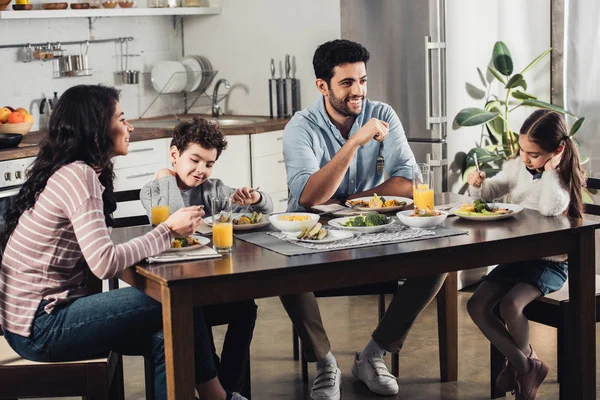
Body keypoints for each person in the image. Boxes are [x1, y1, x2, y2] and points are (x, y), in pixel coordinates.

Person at [0, 85, 246, 400]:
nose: (129, 127)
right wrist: (168, 230)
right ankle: (219, 398)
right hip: (41, 327)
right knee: (180, 298)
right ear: (96, 128)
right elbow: (104, 263)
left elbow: (99, 252)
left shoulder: (78, 171)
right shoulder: (79, 175)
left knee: (168, 338)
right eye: (122, 118)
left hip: (38, 319)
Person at [282, 39, 447, 399]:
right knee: (283, 268)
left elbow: (407, 183)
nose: (358, 91)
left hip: (376, 228)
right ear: (322, 86)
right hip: (316, 235)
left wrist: (346, 201)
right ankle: (325, 362)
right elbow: (310, 196)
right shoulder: (301, 127)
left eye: (362, 80)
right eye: (347, 83)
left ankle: (373, 354)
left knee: (439, 259)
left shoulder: (383, 114)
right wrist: (355, 142)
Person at [140, 116, 273, 393]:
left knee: (246, 307)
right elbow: (174, 216)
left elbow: (264, 211)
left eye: (209, 164)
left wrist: (255, 199)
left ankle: (225, 386)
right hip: (176, 290)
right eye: (195, 160)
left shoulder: (214, 190)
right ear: (174, 154)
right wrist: (165, 176)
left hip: (210, 281)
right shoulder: (154, 190)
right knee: (195, 311)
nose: (202, 170)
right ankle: (222, 392)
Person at [466, 109, 585, 400]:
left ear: (557, 150)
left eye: (533, 154)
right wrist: (478, 185)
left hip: (550, 262)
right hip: (518, 256)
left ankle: (519, 365)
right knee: (476, 305)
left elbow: (550, 208)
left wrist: (550, 171)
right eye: (522, 150)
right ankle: (526, 365)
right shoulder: (520, 167)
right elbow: (494, 190)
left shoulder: (560, 177)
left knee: (510, 305)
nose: (525, 158)